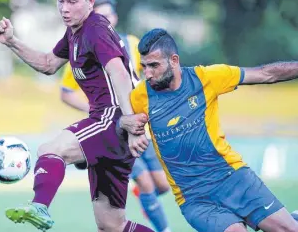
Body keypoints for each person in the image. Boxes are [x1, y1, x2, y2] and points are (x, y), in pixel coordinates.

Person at [0, 0, 154, 232]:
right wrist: (11, 41)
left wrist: (129, 122)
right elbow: (47, 63)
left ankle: (39, 207)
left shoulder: (95, 28)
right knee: (112, 225)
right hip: (112, 125)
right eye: (60, 1)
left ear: (91, 1)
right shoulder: (75, 31)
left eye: (72, 1)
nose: (64, 8)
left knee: (50, 150)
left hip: (112, 119)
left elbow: (120, 73)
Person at [118, 28, 298, 232]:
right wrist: (125, 124)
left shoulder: (206, 77)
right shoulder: (140, 96)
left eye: (154, 65)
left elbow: (266, 74)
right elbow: (117, 125)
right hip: (194, 197)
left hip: (234, 178)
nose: (147, 73)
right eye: (144, 66)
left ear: (174, 60)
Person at [60, 0, 172, 232]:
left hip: (140, 125)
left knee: (162, 185)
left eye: (107, 15)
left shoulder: (132, 43)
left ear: (115, 17)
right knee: (146, 183)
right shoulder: (83, 51)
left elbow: (150, 74)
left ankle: (142, 195)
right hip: (113, 130)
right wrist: (96, 110)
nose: (104, 20)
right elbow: (66, 92)